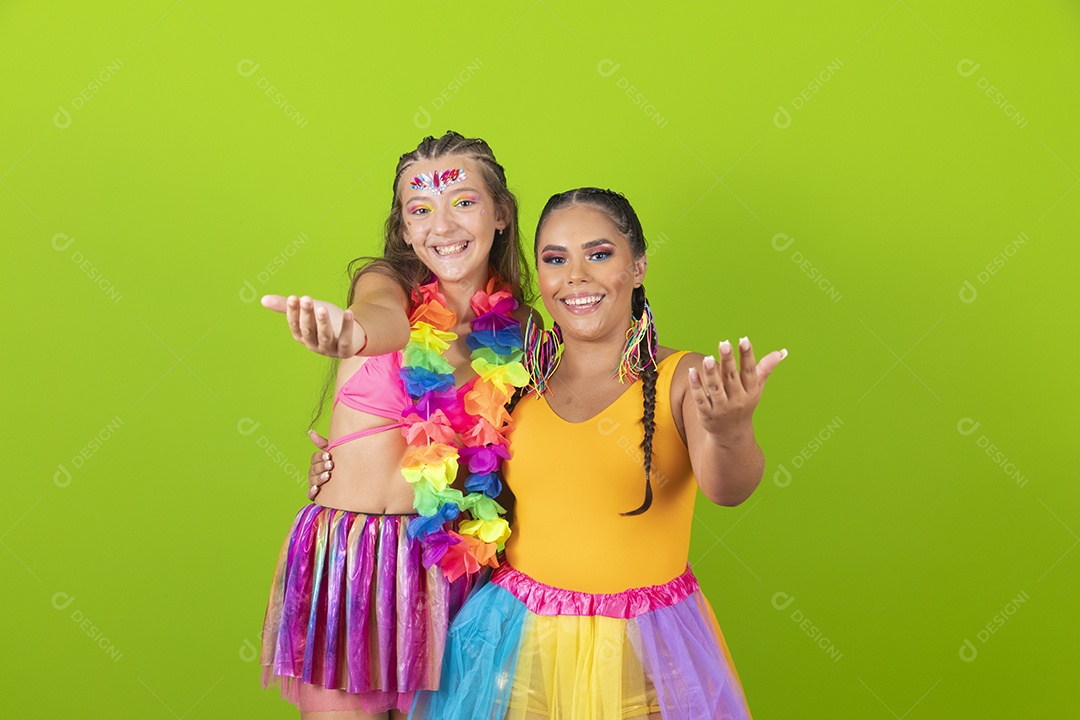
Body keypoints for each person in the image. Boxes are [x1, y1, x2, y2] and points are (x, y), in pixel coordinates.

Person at [407, 187, 786, 718]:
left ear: (638, 267)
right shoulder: (515, 377)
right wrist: (338, 466)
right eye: (555, 259)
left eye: (599, 254)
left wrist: (730, 431)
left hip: (642, 650)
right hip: (513, 643)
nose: (576, 276)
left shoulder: (684, 377)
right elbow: (446, 469)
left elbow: (728, 490)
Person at [259, 131, 534, 719]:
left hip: (446, 566)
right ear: (405, 229)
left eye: (463, 201)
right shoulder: (385, 286)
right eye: (420, 209)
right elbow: (378, 319)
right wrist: (349, 333)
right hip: (347, 559)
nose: (442, 225)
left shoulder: (523, 335)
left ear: (501, 214)